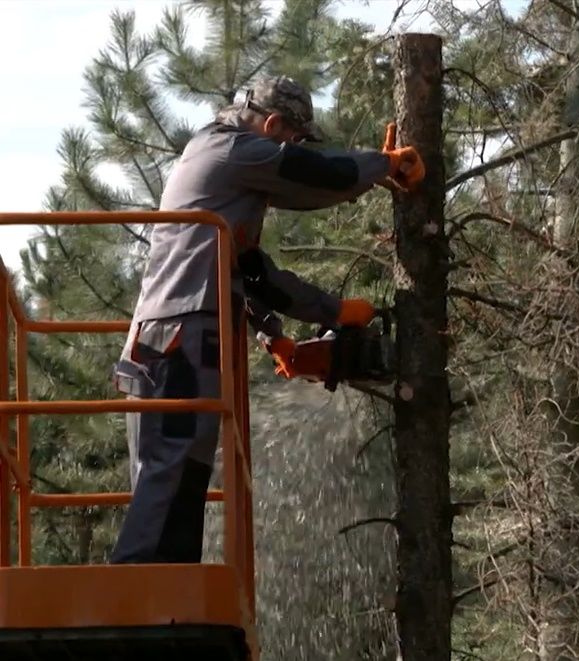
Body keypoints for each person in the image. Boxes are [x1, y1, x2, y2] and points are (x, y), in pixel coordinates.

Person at [109, 75, 425, 564]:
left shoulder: (223, 179)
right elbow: (316, 174)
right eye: (293, 137)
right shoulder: (233, 151)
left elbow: (250, 272)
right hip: (180, 338)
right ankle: (136, 606)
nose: (293, 147)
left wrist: (283, 333)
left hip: (178, 337)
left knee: (181, 478)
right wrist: (383, 165)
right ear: (273, 124)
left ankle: (164, 598)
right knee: (169, 474)